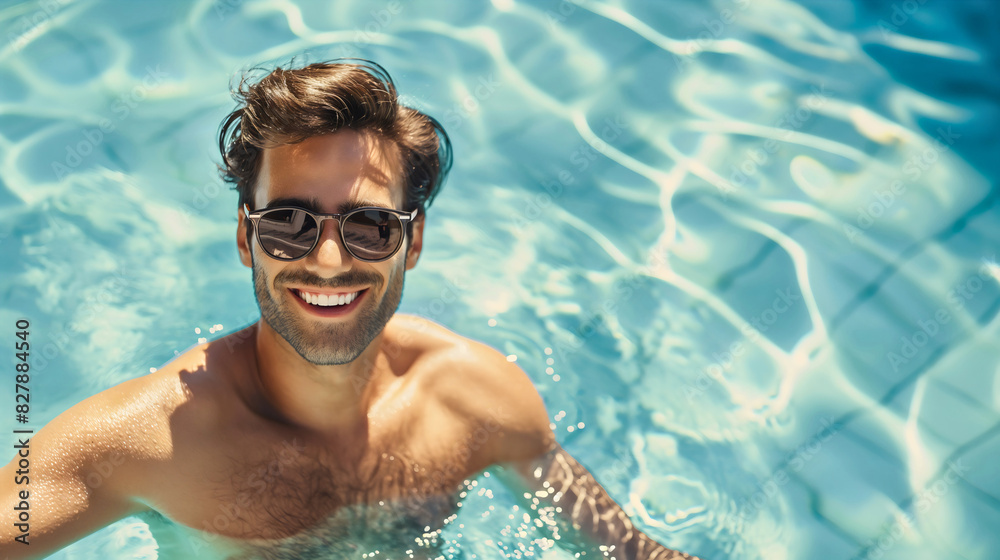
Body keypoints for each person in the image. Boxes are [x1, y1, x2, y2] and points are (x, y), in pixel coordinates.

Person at [0, 59, 702, 560]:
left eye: (370, 225)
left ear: (412, 242)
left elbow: (629, 550)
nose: (330, 260)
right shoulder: (143, 444)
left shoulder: (476, 399)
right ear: (246, 238)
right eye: (288, 224)